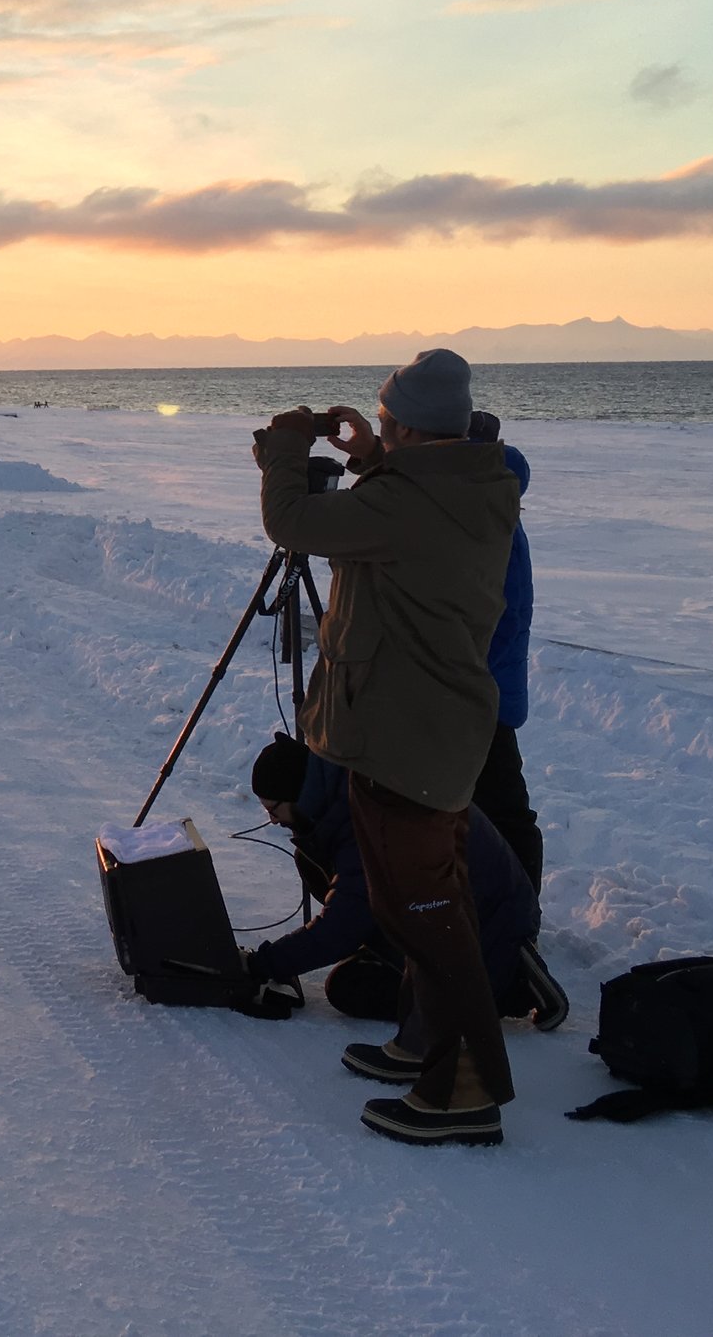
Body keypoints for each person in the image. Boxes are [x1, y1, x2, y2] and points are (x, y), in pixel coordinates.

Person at [256, 347, 521, 1147]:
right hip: (412, 731)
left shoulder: (411, 504)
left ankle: (466, 1090)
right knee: (416, 907)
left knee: (431, 918)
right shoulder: (466, 483)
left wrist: (284, 452)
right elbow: (410, 500)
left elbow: (292, 522)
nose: (377, 430)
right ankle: (421, 1043)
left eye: (385, 420)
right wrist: (373, 457)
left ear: (409, 424)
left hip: (411, 737)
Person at [240, 734, 558, 1028]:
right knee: (311, 857)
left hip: (484, 928)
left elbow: (342, 925)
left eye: (273, 809)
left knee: (348, 987)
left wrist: (263, 965)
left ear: (297, 793)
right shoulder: (352, 782)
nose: (272, 820)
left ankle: (512, 986)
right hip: (474, 907)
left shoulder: (366, 819)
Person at [466, 409, 543, 893]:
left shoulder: (481, 517)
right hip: (489, 684)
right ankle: (512, 912)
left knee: (502, 811)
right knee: (503, 807)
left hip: (477, 685)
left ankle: (516, 919)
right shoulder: (497, 505)